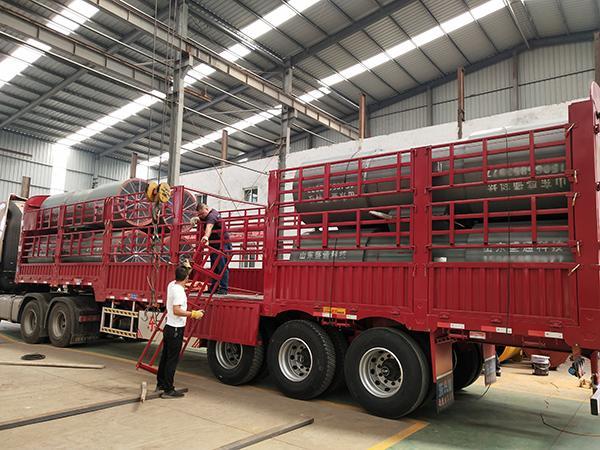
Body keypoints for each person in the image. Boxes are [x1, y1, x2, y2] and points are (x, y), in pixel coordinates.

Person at [156, 265, 204, 398]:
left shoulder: (171, 285)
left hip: (169, 327)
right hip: (176, 329)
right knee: (172, 360)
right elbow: (177, 310)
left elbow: (181, 277)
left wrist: (187, 269)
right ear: (187, 278)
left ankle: (161, 384)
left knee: (165, 357)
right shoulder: (179, 292)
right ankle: (168, 390)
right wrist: (193, 314)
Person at [193, 203, 231, 294]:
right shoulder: (209, 215)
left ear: (207, 209)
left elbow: (209, 226)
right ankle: (214, 288)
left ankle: (223, 288)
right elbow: (205, 220)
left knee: (222, 266)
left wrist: (206, 236)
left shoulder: (212, 216)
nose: (201, 216)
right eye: (199, 214)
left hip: (222, 245)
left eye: (202, 214)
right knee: (214, 267)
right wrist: (197, 219)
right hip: (215, 244)